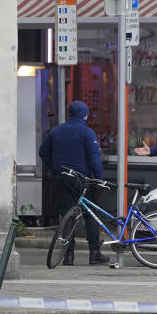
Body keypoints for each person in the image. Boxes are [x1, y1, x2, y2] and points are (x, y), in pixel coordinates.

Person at [38, 100, 109, 266]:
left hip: (62, 178)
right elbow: (94, 158)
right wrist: (99, 178)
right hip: (82, 180)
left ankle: (68, 255)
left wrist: (54, 167)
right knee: (89, 215)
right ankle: (94, 253)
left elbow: (43, 152)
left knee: (67, 216)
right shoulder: (87, 133)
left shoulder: (56, 131)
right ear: (85, 115)